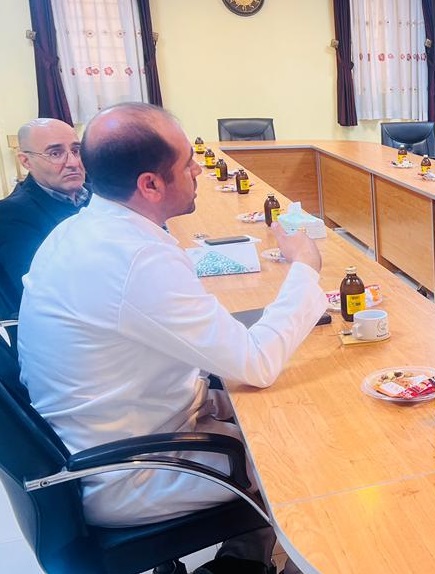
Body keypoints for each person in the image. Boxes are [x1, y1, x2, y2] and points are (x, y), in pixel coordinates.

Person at [18, 103, 324, 574]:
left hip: (112, 435)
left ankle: (242, 562)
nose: (198, 170)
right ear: (150, 185)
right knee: (308, 450)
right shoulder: (134, 256)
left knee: (271, 411)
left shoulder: (83, 230)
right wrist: (305, 266)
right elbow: (257, 362)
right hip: (128, 472)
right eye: (187, 164)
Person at [0, 118, 89, 319]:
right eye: (55, 153)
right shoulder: (10, 216)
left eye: (76, 150)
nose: (73, 163)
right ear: (26, 161)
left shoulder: (102, 196)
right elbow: (44, 294)